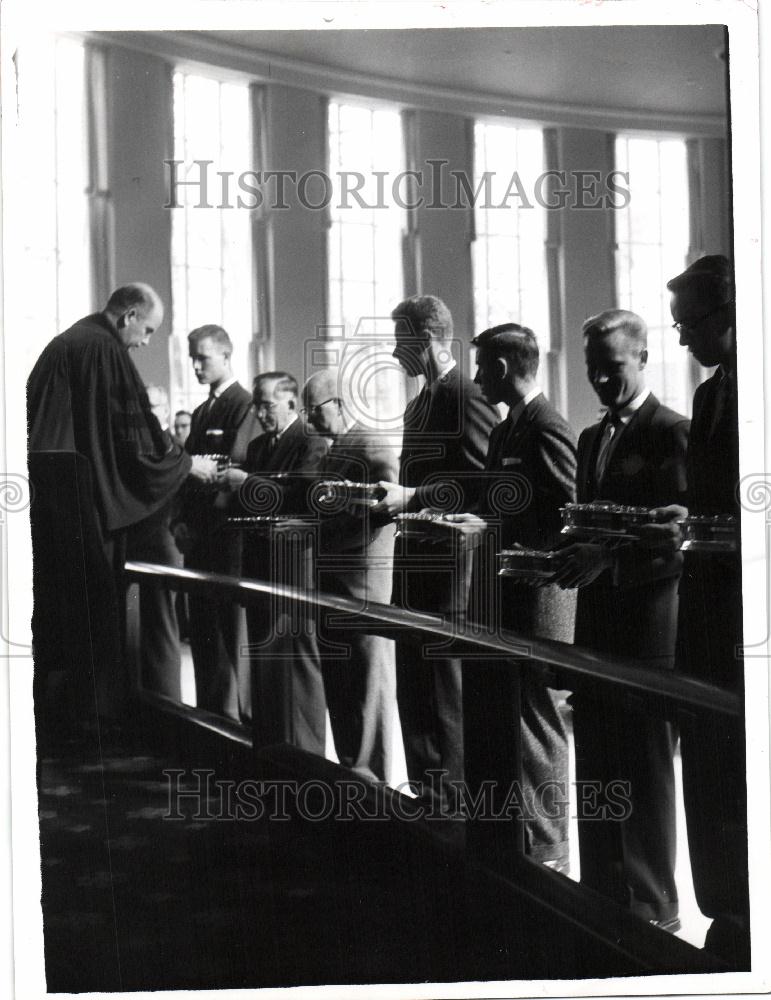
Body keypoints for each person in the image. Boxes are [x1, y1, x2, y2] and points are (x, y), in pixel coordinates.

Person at [27, 283, 215, 730]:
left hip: (45, 499)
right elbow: (135, 440)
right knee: (92, 618)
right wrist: (187, 464)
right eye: (147, 330)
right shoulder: (104, 351)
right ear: (128, 315)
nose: (146, 341)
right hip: (81, 506)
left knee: (53, 618)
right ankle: (92, 725)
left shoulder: (64, 343)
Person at [552, 310, 689, 925]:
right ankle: (603, 894)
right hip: (598, 627)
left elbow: (674, 540)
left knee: (646, 772)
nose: (602, 383)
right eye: (592, 372)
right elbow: (590, 522)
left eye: (612, 370)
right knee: (597, 765)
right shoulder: (589, 439)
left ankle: (656, 906)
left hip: (646, 629)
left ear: (642, 359)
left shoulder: (671, 432)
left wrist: (603, 555)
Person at [641, 255, 748, 965]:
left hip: (745, 614)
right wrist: (687, 518)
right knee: (708, 772)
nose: (681, 340)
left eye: (688, 325)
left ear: (728, 309)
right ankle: (725, 914)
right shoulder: (711, 396)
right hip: (706, 609)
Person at [372, 295, 499, 810]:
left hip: (449, 576)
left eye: (399, 339)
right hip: (416, 567)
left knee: (446, 705)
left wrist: (414, 497)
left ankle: (455, 817)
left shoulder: (466, 395)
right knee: (417, 698)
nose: (394, 350)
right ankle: (431, 808)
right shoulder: (422, 400)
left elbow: (480, 482)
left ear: (424, 339)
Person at [462, 322, 576, 869]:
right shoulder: (506, 429)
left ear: (502, 368)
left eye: (482, 366)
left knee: (539, 722)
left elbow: (569, 512)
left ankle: (551, 853)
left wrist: (531, 554)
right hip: (506, 593)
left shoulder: (546, 425)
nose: (478, 377)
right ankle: (523, 847)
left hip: (539, 598)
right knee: (514, 722)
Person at [222, 372, 330, 752]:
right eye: (257, 405)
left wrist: (246, 484)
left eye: (266, 404)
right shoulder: (257, 448)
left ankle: (306, 756)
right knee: (265, 664)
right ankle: (271, 750)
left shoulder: (311, 442)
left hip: (291, 568)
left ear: (290, 403)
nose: (260, 412)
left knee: (297, 668)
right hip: (259, 566)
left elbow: (301, 497)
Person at [301, 369, 399, 782]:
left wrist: (345, 504)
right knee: (341, 688)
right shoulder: (334, 448)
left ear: (339, 405)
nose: (309, 421)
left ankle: (373, 784)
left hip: (362, 584)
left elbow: (386, 503)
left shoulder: (371, 442)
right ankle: (351, 773)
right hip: (332, 584)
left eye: (314, 410)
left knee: (367, 689)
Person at [175, 325, 256, 721]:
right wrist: (182, 522)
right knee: (205, 640)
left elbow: (232, 467)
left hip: (226, 538)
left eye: (203, 358)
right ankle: (212, 724)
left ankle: (236, 729)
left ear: (227, 355)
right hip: (199, 539)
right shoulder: (205, 410)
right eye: (192, 357)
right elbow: (185, 471)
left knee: (230, 638)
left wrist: (201, 476)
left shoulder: (244, 404)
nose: (195, 365)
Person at [127, 385, 186, 700]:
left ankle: (168, 706)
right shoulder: (138, 445)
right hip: (138, 544)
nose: (146, 414)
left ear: (165, 410)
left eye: (152, 407)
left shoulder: (172, 449)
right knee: (137, 633)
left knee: (161, 632)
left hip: (163, 543)